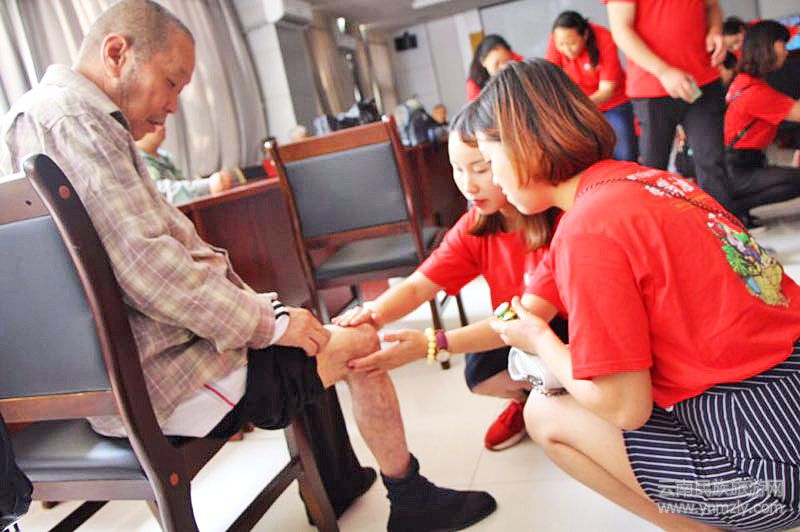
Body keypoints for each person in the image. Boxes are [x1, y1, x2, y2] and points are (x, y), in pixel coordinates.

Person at [0, 2, 497, 530]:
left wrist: (273, 319)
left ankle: (338, 482)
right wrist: (271, 323)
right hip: (161, 382)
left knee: (302, 326)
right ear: (117, 53)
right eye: (171, 83)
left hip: (119, 378)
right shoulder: (74, 121)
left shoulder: (37, 121)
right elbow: (150, 270)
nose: (173, 106)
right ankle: (412, 500)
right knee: (356, 344)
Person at [469, 58, 800, 530]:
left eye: (488, 162)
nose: (493, 180)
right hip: (786, 406)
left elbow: (626, 408)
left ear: (524, 144)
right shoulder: (650, 180)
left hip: (773, 473)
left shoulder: (588, 228)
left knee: (546, 413)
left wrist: (541, 339)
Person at [334, 107, 567, 452]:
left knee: (539, 363)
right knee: (479, 372)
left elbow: (528, 317)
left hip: (563, 328)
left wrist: (433, 343)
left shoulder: (559, 221)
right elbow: (418, 285)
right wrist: (374, 314)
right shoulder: (477, 225)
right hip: (515, 327)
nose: (468, 185)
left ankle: (560, 402)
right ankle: (530, 397)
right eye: (457, 169)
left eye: (481, 168)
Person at [606, 0, 736, 218]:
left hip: (702, 80)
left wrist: (715, 31)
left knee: (712, 162)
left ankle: (727, 232)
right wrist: (663, 71)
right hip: (652, 87)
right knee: (653, 170)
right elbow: (621, 31)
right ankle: (655, 231)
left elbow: (712, 6)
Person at [724, 20, 800, 217]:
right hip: (738, 170)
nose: (786, 52)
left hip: (738, 164)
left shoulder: (744, 81)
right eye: (783, 45)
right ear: (768, 47)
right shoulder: (755, 92)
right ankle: (731, 209)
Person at [545, 10, 637, 161]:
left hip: (613, 104)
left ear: (585, 35)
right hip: (580, 110)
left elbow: (607, 90)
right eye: (561, 44)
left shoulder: (604, 38)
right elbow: (549, 81)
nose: (566, 49)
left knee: (625, 155)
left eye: (572, 43)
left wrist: (576, 106)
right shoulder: (559, 38)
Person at [136, 124, 232, 203]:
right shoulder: (137, 161)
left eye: (162, 123)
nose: (162, 127)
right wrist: (208, 185)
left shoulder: (164, 157)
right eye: (154, 123)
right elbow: (160, 192)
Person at [466, 34, 523, 102]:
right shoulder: (474, 86)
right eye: (497, 63)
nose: (503, 67)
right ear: (483, 62)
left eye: (506, 61)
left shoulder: (518, 65)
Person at [719, 16, 748, 85]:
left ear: (742, 30)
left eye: (736, 41)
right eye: (730, 47)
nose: (736, 48)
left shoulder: (759, 38)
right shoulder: (730, 59)